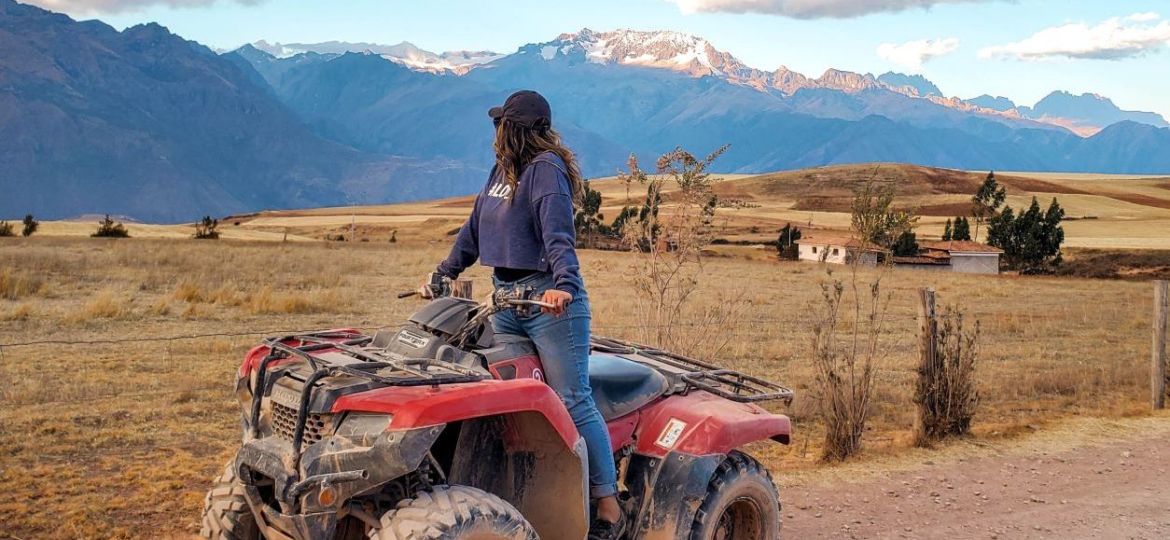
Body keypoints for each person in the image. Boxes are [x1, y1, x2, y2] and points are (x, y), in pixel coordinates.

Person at [426, 90, 623, 539]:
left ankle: (608, 504)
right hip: (505, 301)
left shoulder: (545, 172)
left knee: (572, 398)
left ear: (516, 129)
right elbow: (474, 228)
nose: (495, 131)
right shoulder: (503, 171)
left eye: (501, 124)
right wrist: (444, 271)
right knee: (509, 398)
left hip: (545, 302)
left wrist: (564, 287)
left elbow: (559, 237)